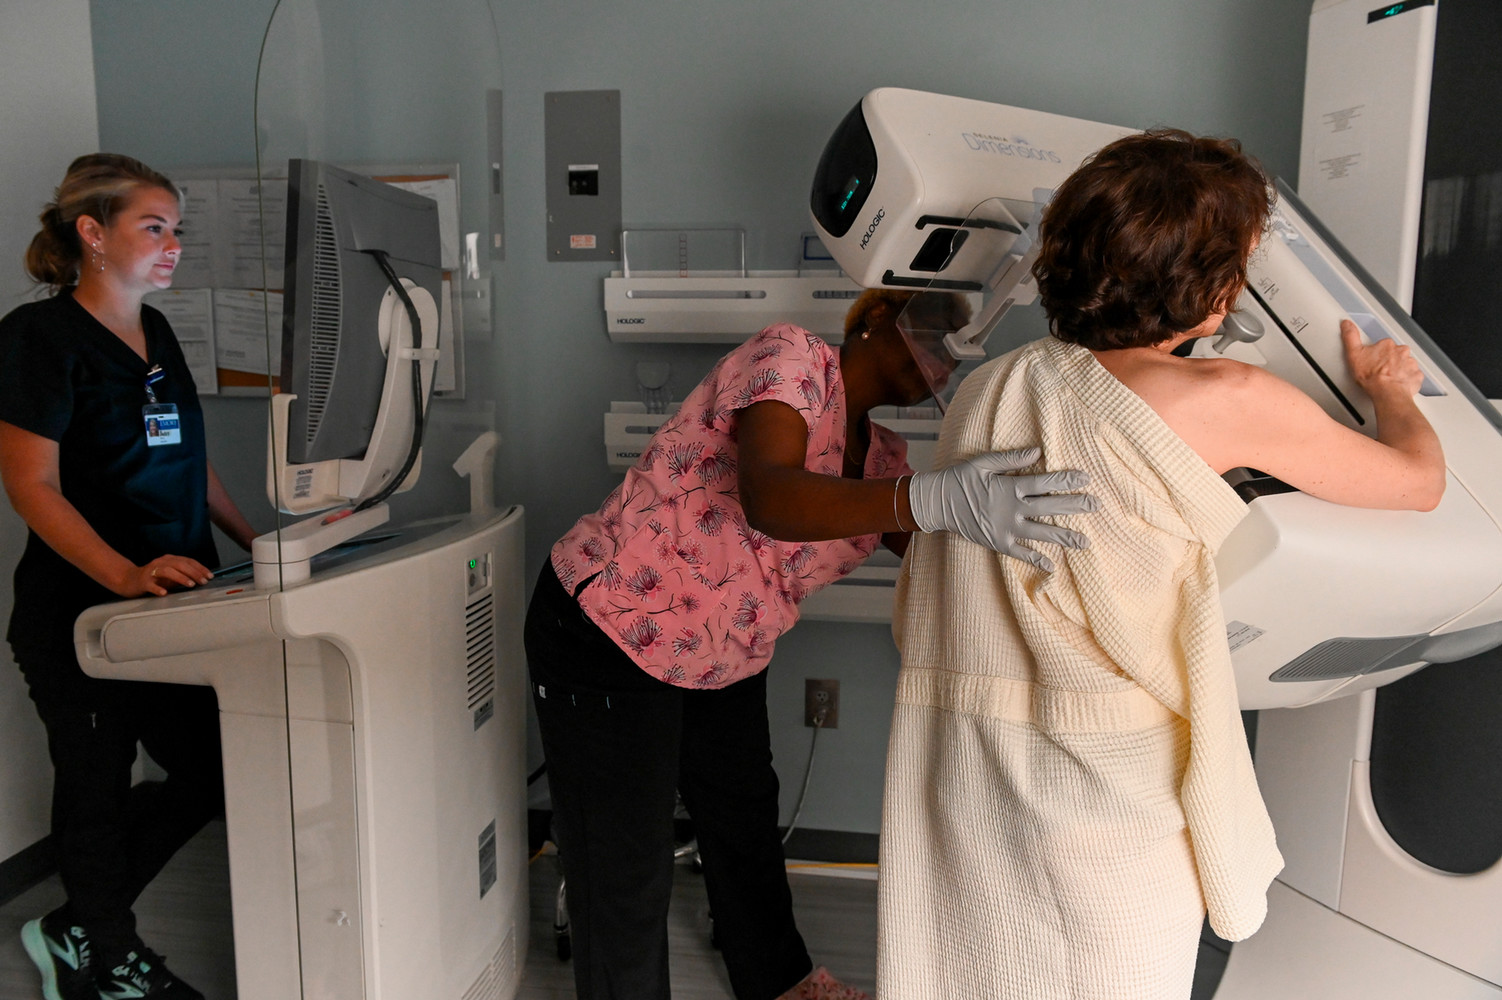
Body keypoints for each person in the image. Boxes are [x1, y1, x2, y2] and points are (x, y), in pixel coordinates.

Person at [876, 129, 1445, 1000]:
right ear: (1212, 291)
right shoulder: (1228, 400)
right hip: (1104, 796)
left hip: (969, 771)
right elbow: (1418, 483)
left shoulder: (994, 387)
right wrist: (1392, 389)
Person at [526, 288, 1097, 1000]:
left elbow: (941, 557)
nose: (944, 357)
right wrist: (933, 499)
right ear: (879, 318)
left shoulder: (884, 459)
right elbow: (773, 495)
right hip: (613, 625)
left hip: (722, 655)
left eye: (959, 346)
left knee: (745, 827)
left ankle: (782, 986)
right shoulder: (793, 356)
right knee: (624, 866)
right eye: (934, 330)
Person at [1, 154, 258, 1000]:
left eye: (176, 228)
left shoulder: (158, 332)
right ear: (92, 233)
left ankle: (78, 921)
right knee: (96, 785)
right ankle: (105, 957)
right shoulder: (37, 339)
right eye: (154, 226)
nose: (173, 243)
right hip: (83, 611)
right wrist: (123, 572)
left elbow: (187, 458)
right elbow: (29, 485)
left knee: (212, 770)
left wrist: (255, 540)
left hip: (177, 605)